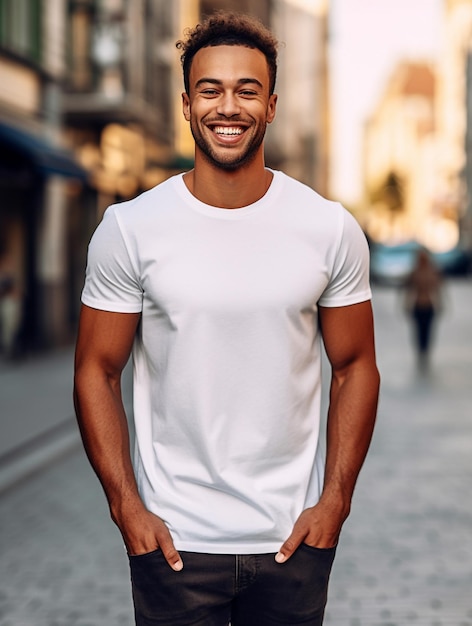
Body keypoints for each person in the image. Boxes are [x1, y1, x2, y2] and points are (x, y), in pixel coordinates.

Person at [74, 11, 380, 626]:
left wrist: (335, 504)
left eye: (246, 90)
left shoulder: (328, 228)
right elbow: (95, 372)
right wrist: (126, 507)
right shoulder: (130, 229)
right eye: (210, 90)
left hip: (292, 540)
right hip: (175, 546)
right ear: (187, 105)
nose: (228, 107)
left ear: (270, 105)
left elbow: (355, 367)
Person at [404, 247, 443, 370]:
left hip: (429, 305)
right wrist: (406, 303)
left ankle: (425, 350)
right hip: (418, 305)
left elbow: (438, 289)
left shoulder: (432, 272)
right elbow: (408, 290)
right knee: (419, 330)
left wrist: (440, 303)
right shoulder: (415, 272)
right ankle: (421, 350)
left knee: (427, 330)